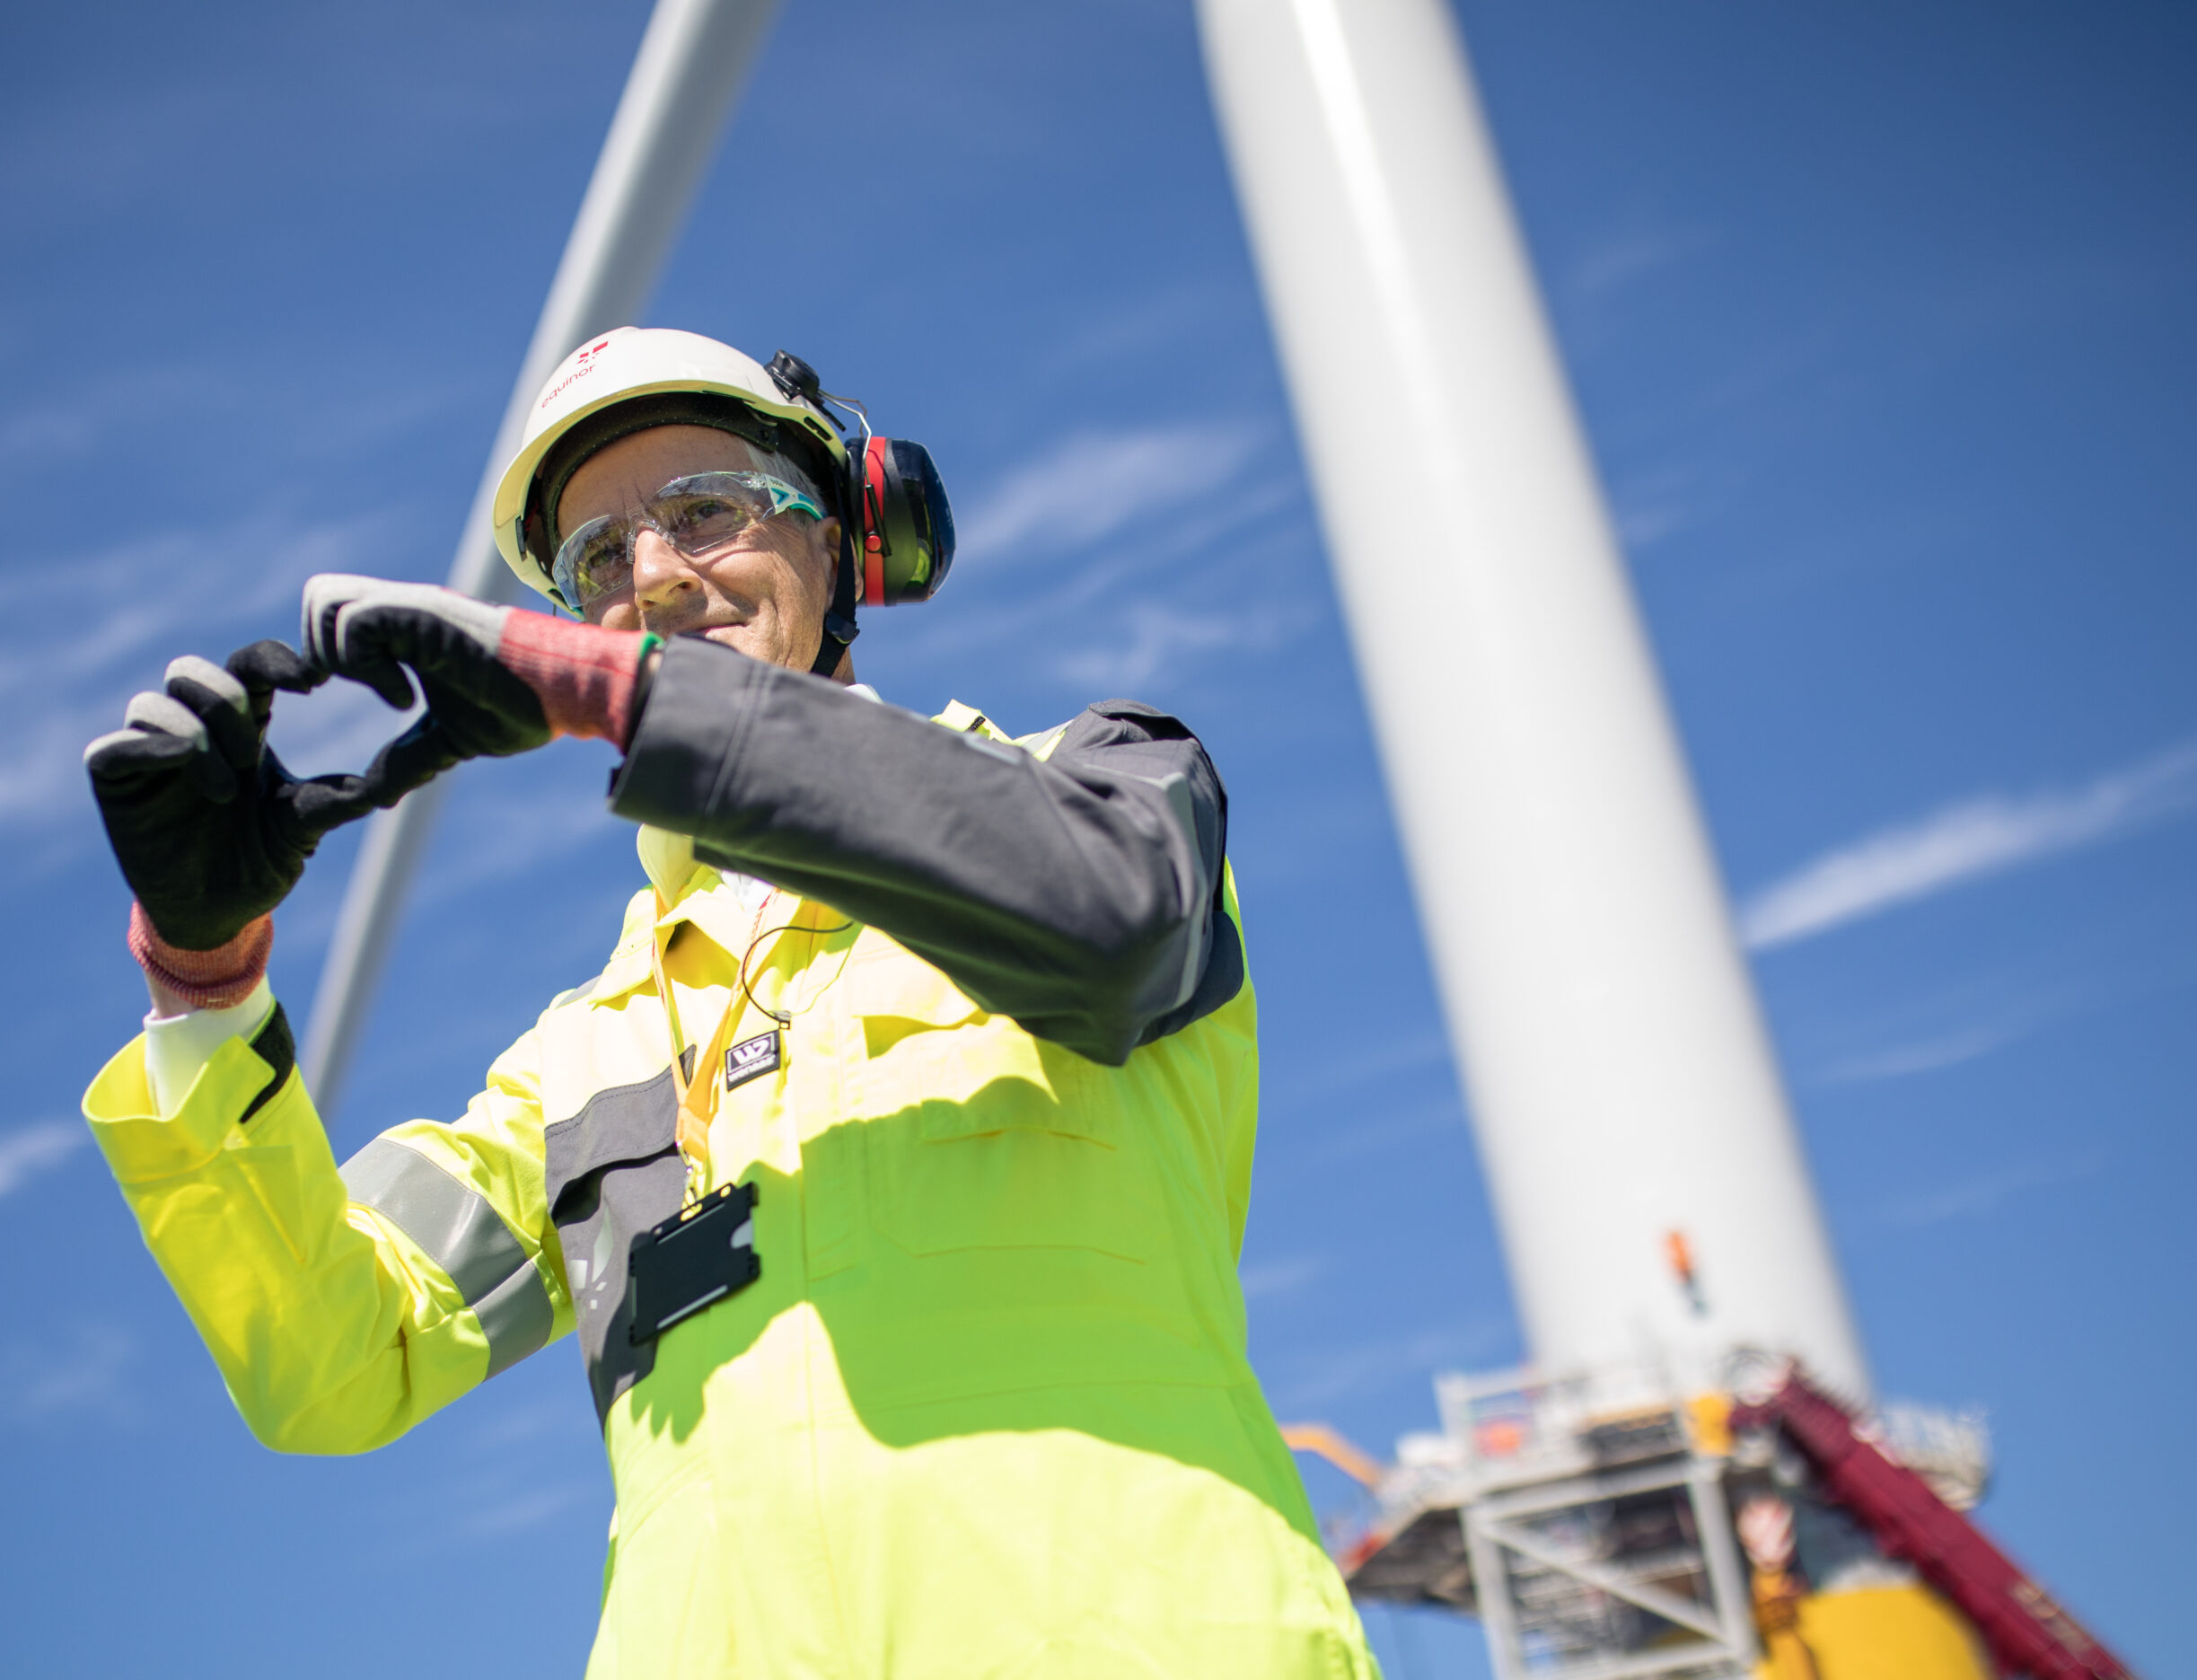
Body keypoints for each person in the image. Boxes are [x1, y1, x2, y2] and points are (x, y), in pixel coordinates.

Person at [80, 328, 1380, 1677]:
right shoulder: (579, 1057)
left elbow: (1107, 927)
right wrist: (203, 978)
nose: (651, 573)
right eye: (598, 560)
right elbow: (332, 1358)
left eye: (703, 511)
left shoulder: (1100, 782)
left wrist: (636, 705)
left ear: (849, 537)